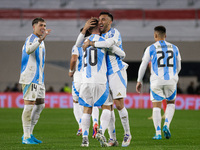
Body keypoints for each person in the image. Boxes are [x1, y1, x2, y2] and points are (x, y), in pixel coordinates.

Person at [83, 12, 131, 147]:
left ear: (110, 22)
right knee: (107, 106)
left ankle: (127, 133)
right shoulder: (99, 36)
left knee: (118, 103)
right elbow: (120, 52)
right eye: (99, 20)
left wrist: (92, 43)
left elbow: (111, 45)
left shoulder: (114, 33)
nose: (100, 22)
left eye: (103, 19)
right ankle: (112, 138)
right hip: (103, 74)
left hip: (116, 72)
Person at [136, 25, 181, 140]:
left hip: (156, 80)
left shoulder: (150, 48)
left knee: (156, 105)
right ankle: (166, 124)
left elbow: (143, 65)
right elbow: (179, 65)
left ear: (155, 35)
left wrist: (139, 80)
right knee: (171, 103)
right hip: (171, 80)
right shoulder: (175, 48)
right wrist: (174, 76)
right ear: (165, 36)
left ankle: (158, 133)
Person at [79, 19, 113, 147]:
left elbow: (78, 45)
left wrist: (84, 30)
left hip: (86, 81)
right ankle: (101, 131)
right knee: (107, 107)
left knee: (87, 109)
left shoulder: (83, 42)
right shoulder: (102, 41)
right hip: (100, 80)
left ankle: (85, 139)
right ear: (97, 28)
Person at [19, 17, 51, 144]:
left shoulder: (41, 42)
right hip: (30, 77)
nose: (43, 27)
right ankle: (26, 137)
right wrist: (40, 39)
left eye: (44, 25)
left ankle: (30, 133)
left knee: (40, 105)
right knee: (29, 106)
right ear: (34, 27)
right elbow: (28, 50)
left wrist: (41, 40)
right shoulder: (31, 39)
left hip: (39, 78)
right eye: (41, 25)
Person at [71, 24, 100, 138]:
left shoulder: (78, 45)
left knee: (76, 102)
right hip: (93, 76)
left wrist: (70, 70)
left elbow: (74, 58)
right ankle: (96, 122)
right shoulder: (97, 43)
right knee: (93, 101)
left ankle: (81, 127)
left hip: (79, 76)